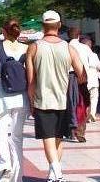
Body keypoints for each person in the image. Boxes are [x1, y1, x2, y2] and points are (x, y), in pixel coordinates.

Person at [26, 10, 85, 182]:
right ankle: (55, 173)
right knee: (58, 138)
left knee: (48, 137)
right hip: (63, 98)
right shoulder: (69, 48)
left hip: (43, 98)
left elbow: (31, 80)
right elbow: (81, 73)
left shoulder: (34, 47)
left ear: (43, 26)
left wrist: (31, 101)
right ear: (59, 25)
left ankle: (56, 173)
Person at [0, 18, 29, 182]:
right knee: (17, 137)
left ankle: (4, 165)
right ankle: (18, 176)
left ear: (4, 31)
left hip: (1, 95)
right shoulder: (26, 48)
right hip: (21, 96)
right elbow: (30, 75)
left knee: (1, 133)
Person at [67, 27, 91, 143]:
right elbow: (93, 63)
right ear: (79, 35)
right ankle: (80, 130)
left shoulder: (65, 47)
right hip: (82, 78)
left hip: (68, 77)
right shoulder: (85, 48)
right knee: (84, 104)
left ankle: (70, 130)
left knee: (70, 103)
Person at [81, 36, 100, 122]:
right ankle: (92, 114)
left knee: (84, 98)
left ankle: (85, 115)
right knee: (94, 98)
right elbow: (99, 67)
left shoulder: (79, 55)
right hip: (93, 80)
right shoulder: (94, 55)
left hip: (84, 79)